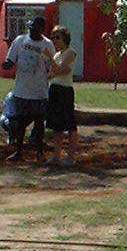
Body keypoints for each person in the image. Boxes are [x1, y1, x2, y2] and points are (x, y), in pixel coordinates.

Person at [1, 15, 54, 163]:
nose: (32, 32)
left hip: (39, 91)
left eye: (35, 29)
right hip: (21, 90)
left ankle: (39, 153)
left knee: (38, 123)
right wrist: (7, 65)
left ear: (42, 30)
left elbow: (51, 66)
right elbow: (10, 60)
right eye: (30, 29)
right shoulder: (20, 41)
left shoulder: (48, 45)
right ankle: (19, 152)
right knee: (19, 123)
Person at [46, 25, 78, 167]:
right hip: (54, 89)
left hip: (65, 91)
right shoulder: (56, 55)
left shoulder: (70, 53)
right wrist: (55, 68)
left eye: (57, 37)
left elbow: (59, 70)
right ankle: (56, 155)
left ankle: (71, 157)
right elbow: (54, 73)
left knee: (70, 125)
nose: (55, 40)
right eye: (53, 38)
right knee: (56, 126)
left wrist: (51, 61)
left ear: (65, 38)